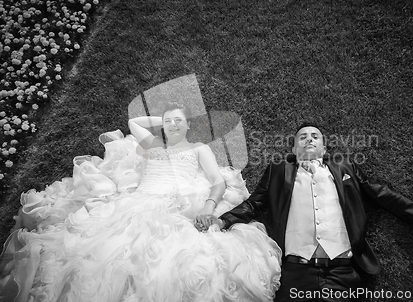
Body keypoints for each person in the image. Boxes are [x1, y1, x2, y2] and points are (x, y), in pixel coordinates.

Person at [0, 102, 281, 302]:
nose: (172, 125)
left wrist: (209, 205)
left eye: (179, 121)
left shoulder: (198, 148)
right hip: (140, 202)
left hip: (180, 205)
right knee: (111, 252)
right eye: (167, 121)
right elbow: (134, 123)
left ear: (189, 126)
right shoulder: (152, 145)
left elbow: (217, 181)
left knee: (174, 258)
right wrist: (166, 119)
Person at [211, 122, 413, 301]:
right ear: (294, 147)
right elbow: (254, 204)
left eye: (315, 137)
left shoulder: (345, 166)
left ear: (324, 147)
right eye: (302, 137)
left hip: (342, 271)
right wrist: (223, 221)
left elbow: (382, 195)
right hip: (295, 272)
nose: (309, 140)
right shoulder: (278, 169)